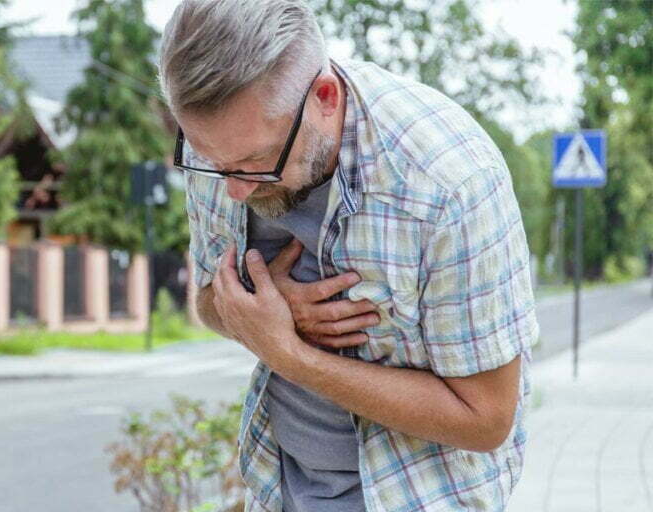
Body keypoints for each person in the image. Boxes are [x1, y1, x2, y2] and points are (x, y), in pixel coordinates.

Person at [157, 1, 539, 511]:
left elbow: (487, 418)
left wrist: (287, 351)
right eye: (210, 160)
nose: (234, 191)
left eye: (255, 164)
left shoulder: (448, 183)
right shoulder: (226, 151)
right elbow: (206, 300)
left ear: (325, 97)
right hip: (279, 490)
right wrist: (270, 313)